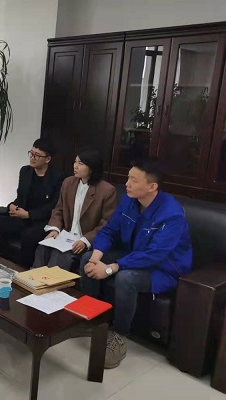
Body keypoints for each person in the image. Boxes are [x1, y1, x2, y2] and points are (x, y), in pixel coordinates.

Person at [80, 158, 192, 369]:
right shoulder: (129, 200)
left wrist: (111, 267)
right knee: (88, 258)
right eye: (128, 177)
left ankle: (120, 335)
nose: (127, 184)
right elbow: (110, 230)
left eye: (133, 180)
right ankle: (91, 316)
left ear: (152, 186)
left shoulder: (172, 214)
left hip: (162, 269)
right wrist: (96, 256)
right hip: (133, 256)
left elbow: (155, 254)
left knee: (126, 278)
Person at [0, 138, 66, 268]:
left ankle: (23, 270)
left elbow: (54, 206)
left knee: (29, 235)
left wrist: (29, 214)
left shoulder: (58, 177)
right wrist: (11, 206)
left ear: (47, 159)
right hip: (22, 217)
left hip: (42, 221)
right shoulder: (25, 171)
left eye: (37, 155)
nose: (32, 158)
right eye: (31, 153)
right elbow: (20, 197)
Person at [32, 149, 117, 271]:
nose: (75, 166)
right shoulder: (68, 182)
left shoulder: (107, 190)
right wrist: (55, 229)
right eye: (75, 162)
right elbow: (59, 209)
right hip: (66, 236)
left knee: (59, 255)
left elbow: (106, 224)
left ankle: (51, 283)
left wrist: (85, 240)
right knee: (43, 248)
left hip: (85, 239)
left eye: (80, 163)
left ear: (92, 167)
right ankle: (32, 280)